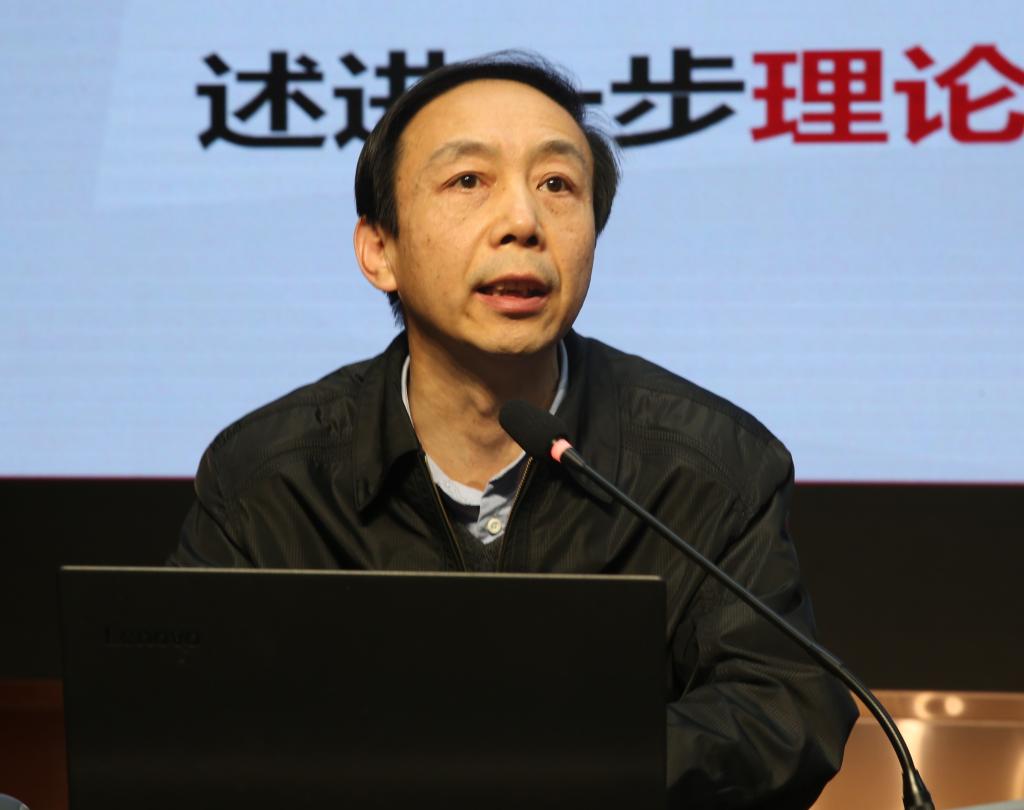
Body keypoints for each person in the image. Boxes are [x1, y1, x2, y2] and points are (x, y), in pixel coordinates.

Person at [169, 52, 856, 808]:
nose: (523, 223)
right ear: (379, 250)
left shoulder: (713, 465)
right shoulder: (268, 477)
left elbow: (783, 711)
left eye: (557, 185)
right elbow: (177, 728)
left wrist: (553, 771)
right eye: (469, 181)